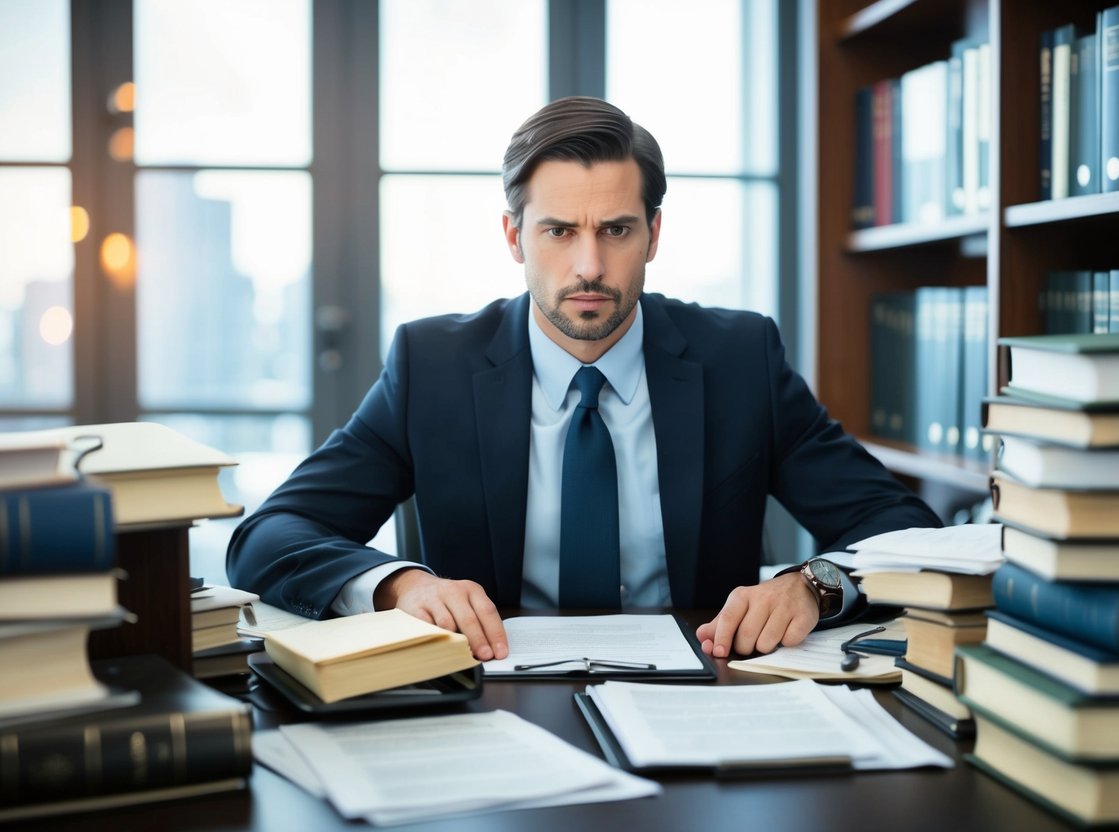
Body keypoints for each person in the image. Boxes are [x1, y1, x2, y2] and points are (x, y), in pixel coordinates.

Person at [226, 96, 940, 663]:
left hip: (704, 691)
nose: (590, 266)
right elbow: (268, 536)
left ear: (654, 234)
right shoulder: (431, 366)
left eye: (617, 231)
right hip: (491, 701)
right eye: (559, 231)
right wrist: (397, 584)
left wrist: (812, 585)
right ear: (514, 238)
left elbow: (907, 531)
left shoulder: (738, 359)